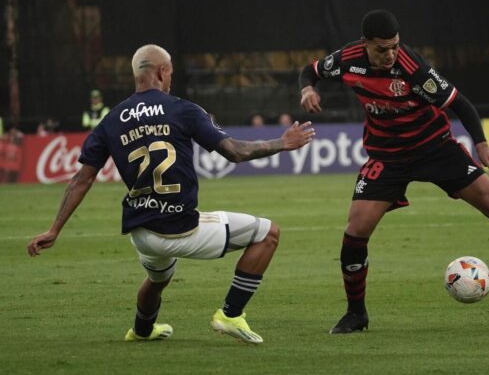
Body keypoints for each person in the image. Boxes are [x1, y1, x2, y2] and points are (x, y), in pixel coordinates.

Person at [298, 9, 489, 334]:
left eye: (395, 45)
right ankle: (356, 314)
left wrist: (482, 144)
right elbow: (310, 71)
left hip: (436, 149)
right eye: (382, 48)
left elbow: (461, 104)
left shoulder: (414, 70)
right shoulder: (347, 59)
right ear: (365, 44)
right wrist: (308, 89)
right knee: (355, 230)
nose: (390, 54)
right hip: (387, 156)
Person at [27, 44, 315, 344]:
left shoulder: (111, 120)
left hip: (141, 231)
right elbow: (234, 151)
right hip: (180, 228)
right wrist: (283, 142)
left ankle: (141, 330)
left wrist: (54, 229)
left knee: (158, 277)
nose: (171, 79)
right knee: (268, 234)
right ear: (162, 72)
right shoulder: (182, 109)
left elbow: (81, 180)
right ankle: (230, 314)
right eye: (171, 73)